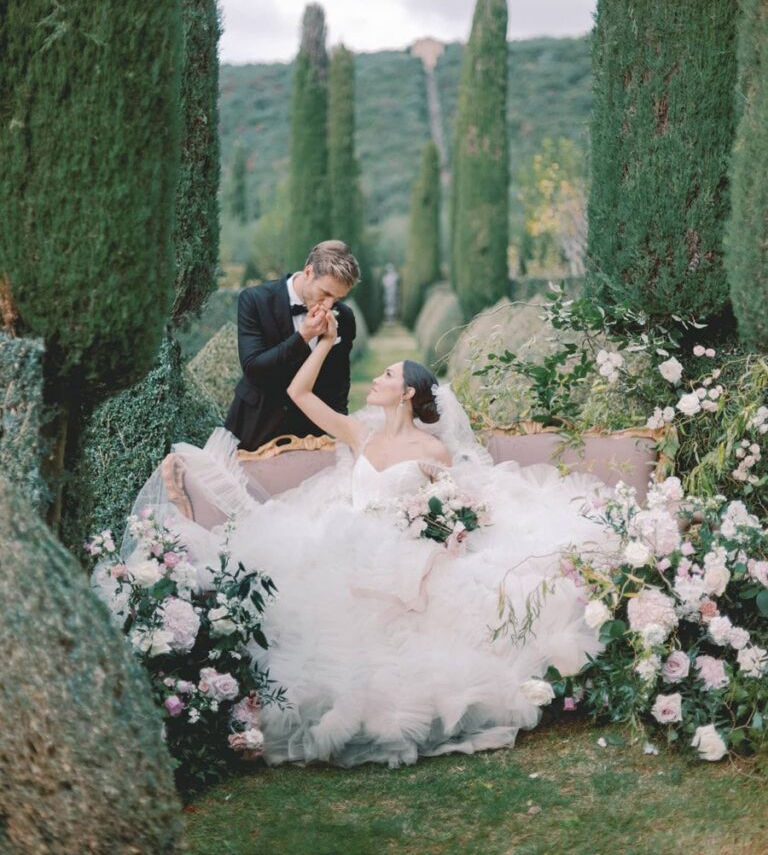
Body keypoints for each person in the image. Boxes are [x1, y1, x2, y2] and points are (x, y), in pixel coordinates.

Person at [117, 310, 616, 769]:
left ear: (406, 393)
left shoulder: (433, 450)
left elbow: (455, 504)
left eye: (387, 375)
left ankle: (385, 710)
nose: (376, 380)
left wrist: (441, 525)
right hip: (347, 542)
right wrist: (324, 344)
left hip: (404, 553)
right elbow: (299, 394)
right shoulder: (361, 434)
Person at [224, 240, 359, 451]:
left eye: (338, 298)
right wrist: (303, 336)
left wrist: (341, 434)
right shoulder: (255, 300)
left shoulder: (345, 317)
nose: (330, 305)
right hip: (254, 426)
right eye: (325, 293)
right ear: (308, 272)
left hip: (310, 434)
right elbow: (253, 368)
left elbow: (339, 383)